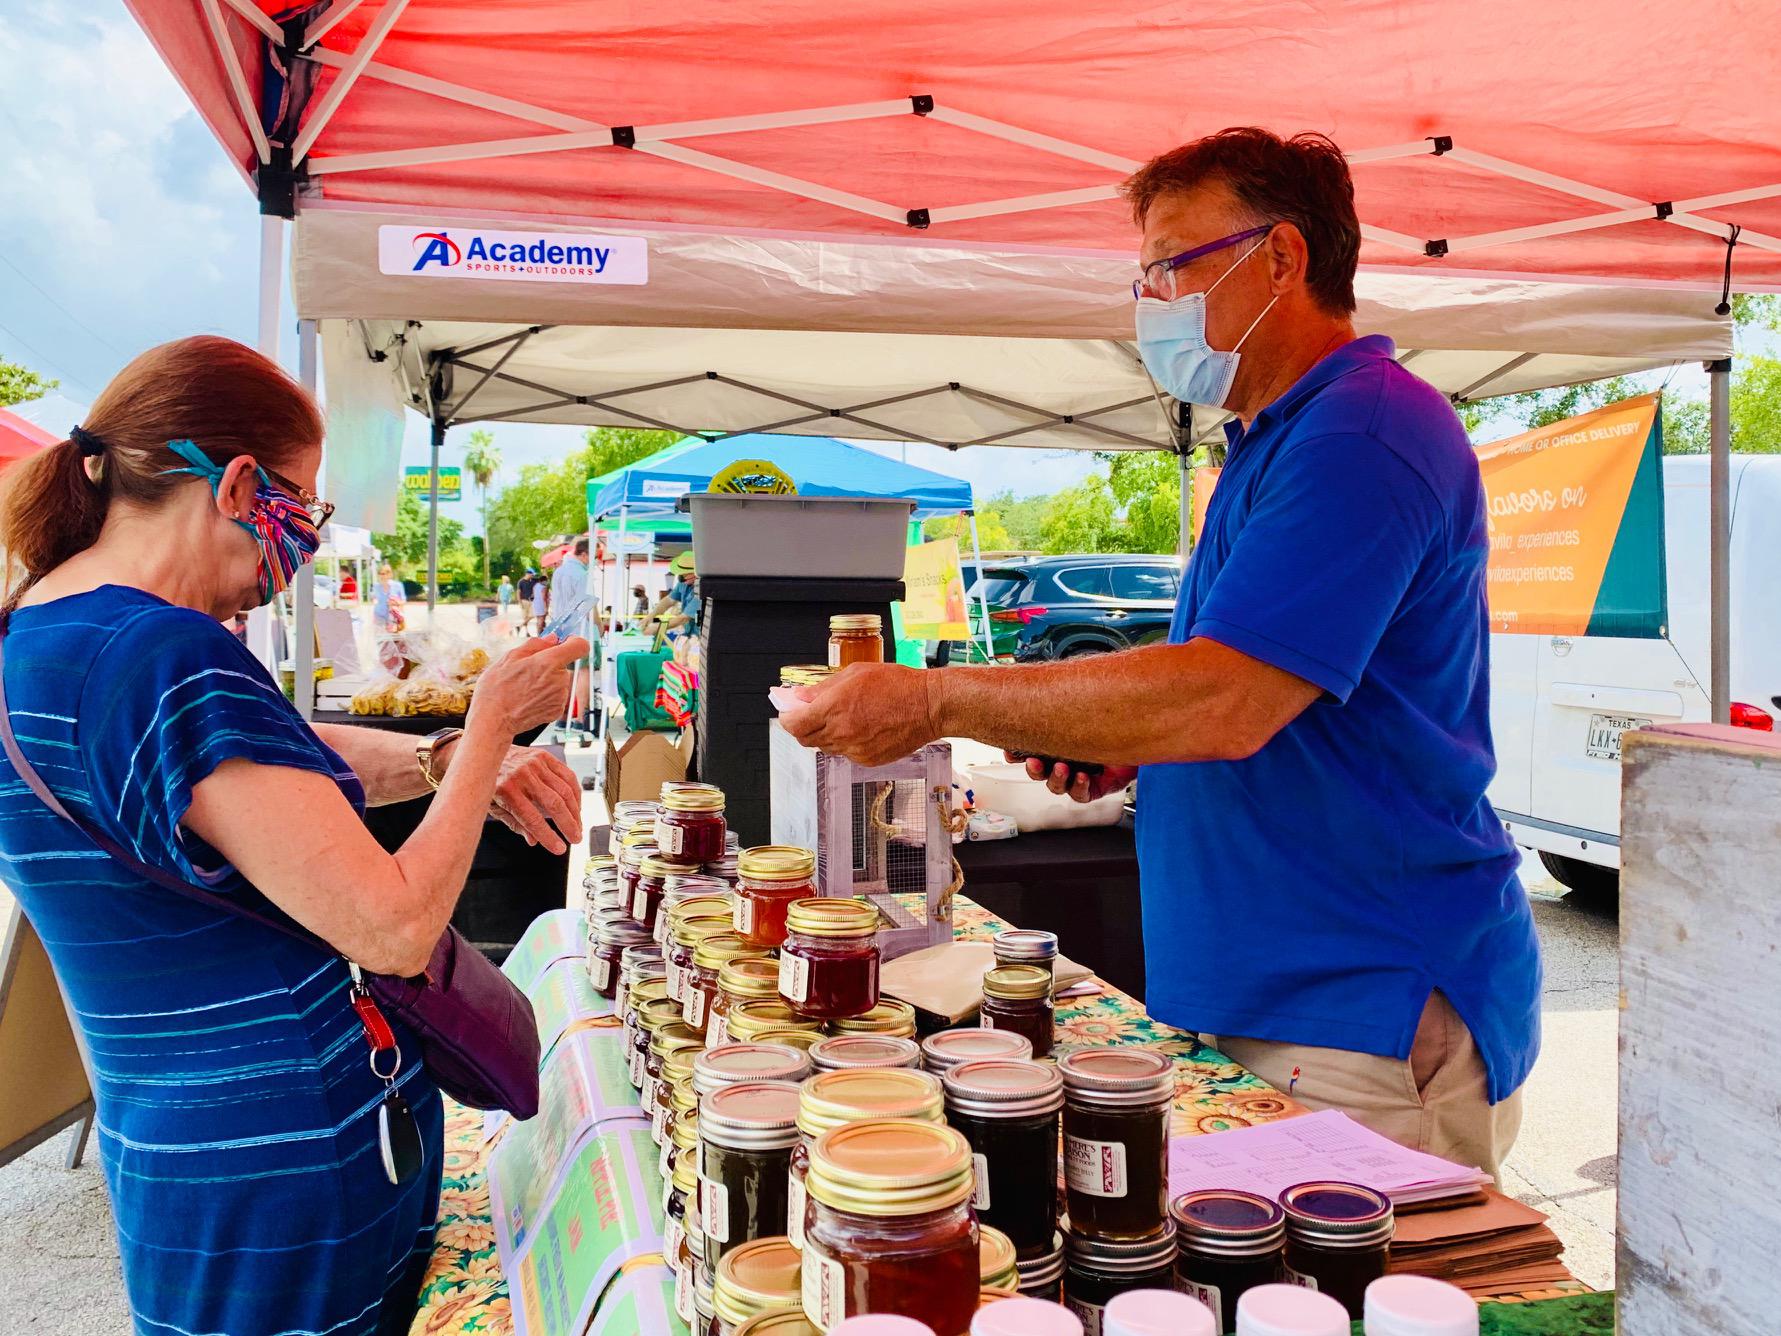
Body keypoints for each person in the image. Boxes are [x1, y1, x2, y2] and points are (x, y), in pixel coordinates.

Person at [780, 128, 1540, 1182]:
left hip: (1355, 998)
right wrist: (1124, 736)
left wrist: (935, 699)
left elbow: (1222, 700)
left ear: (1281, 258)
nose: (1150, 301)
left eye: (1172, 266)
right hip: (1283, 992)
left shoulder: (1358, 433)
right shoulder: (1279, 440)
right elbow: (1252, 685)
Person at [0, 335, 590, 1336]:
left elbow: (264, 766)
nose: (301, 549)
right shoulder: (170, 654)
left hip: (175, 1151)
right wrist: (492, 726)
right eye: (304, 512)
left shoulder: (36, 635)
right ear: (239, 487)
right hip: (289, 1155)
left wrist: (447, 758)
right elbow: (394, 928)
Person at [372, 561, 406, 633]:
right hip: (379, 615)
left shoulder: (398, 585)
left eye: (384, 573)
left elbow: (403, 601)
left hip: (393, 616)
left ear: (390, 574)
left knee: (393, 637)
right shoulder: (376, 586)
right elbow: (374, 599)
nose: (382, 576)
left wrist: (395, 603)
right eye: (380, 573)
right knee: (379, 637)